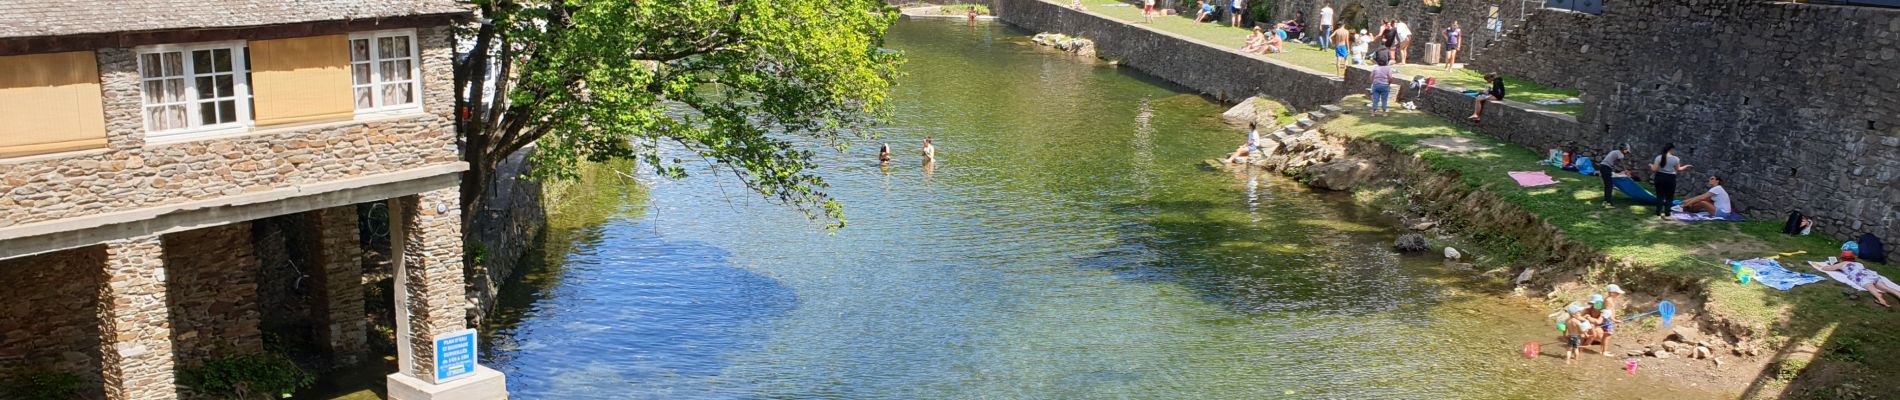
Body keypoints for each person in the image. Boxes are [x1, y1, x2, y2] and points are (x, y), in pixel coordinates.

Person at [1819, 251, 1900, 307]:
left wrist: (1834, 265)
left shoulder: (1842, 264)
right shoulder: (1858, 263)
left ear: (1842, 258)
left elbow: (1826, 268)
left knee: (1871, 287)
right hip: (1869, 273)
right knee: (1887, 288)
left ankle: (1880, 298)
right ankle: (1897, 294)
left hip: (1860, 276)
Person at [1650, 143, 1691, 218]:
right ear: (1671, 149)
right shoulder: (1675, 159)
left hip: (1660, 177)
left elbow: (1654, 169)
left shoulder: (1659, 157)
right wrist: (1686, 166)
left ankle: (1658, 212)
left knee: (1660, 196)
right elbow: (1678, 169)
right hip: (1670, 178)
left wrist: (1650, 165)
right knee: (1669, 196)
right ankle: (1667, 213)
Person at [1600, 285, 1625, 356]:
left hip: (1608, 320)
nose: (1619, 294)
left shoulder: (1609, 299)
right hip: (1608, 320)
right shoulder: (1608, 300)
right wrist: (1614, 320)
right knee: (1607, 336)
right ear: (1612, 293)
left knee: (1606, 335)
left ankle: (1602, 351)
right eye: (1617, 293)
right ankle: (1604, 352)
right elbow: (1607, 312)